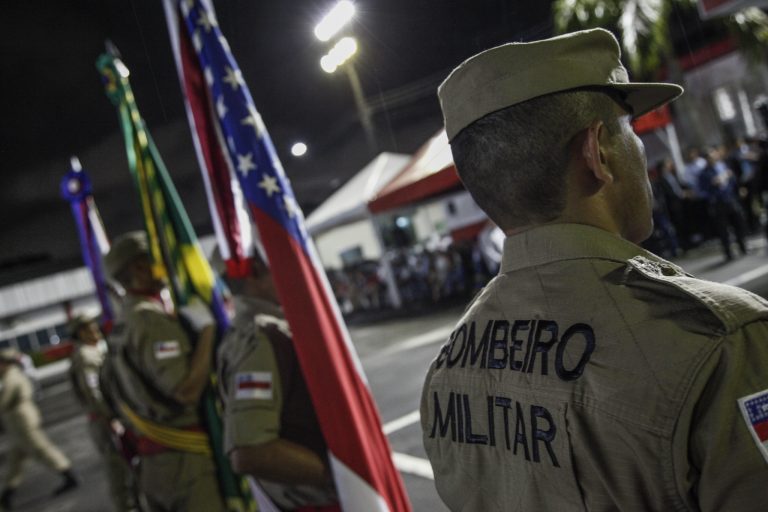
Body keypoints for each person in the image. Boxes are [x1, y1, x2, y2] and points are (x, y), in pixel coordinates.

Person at [420, 28, 768, 511]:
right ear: (598, 152)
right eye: (630, 131)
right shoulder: (716, 340)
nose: (642, 152)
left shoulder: (446, 372)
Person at [103, 231, 225, 512]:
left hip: (155, 463)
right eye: (155, 258)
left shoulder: (122, 323)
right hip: (184, 463)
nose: (164, 263)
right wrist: (207, 331)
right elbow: (186, 391)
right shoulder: (149, 320)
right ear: (139, 268)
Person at [215, 247, 338, 511]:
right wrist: (341, 469)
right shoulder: (261, 337)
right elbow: (251, 453)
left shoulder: (262, 330)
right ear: (256, 272)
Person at [68, 313, 139, 512]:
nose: (95, 329)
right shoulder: (85, 356)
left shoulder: (95, 349)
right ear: (80, 333)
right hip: (106, 422)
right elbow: (93, 392)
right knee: (119, 470)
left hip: (113, 416)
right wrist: (111, 417)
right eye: (90, 327)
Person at [0, 349, 78, 509]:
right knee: (15, 461)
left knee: (43, 450)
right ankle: (7, 494)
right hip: (18, 424)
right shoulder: (14, 374)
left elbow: (4, 401)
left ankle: (69, 475)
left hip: (22, 422)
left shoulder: (11, 377)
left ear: (5, 363)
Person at [698, 147, 748, 260]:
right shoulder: (704, 173)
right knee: (723, 229)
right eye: (709, 157)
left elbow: (732, 179)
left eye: (713, 155)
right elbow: (702, 191)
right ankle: (728, 252)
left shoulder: (723, 166)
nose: (712, 158)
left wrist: (738, 188)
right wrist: (712, 186)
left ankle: (742, 246)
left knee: (738, 223)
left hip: (730, 198)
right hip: (718, 203)